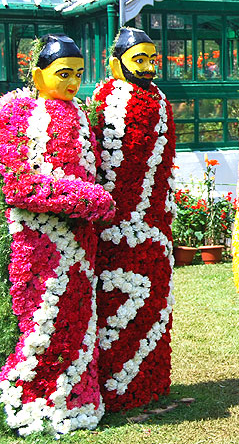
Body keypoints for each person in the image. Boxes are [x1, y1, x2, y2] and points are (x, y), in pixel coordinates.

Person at [0, 35, 115, 436]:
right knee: (43, 321)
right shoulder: (17, 110)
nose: (72, 84)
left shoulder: (80, 114)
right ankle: (30, 404)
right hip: (38, 241)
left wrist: (91, 200)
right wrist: (89, 197)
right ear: (37, 74)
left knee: (78, 319)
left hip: (82, 241)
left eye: (78, 75)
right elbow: (17, 185)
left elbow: (92, 170)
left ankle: (78, 401)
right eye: (63, 74)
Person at [90, 28, 176, 412]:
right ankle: (117, 390)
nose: (147, 67)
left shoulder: (160, 99)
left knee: (156, 303)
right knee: (117, 304)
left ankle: (151, 385)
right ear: (116, 63)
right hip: (117, 226)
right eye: (138, 59)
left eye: (151, 59)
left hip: (155, 223)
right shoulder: (106, 100)